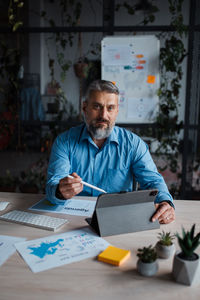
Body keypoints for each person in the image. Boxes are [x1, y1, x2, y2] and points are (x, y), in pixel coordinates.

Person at [46, 80, 175, 224]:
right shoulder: (64, 142)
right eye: (97, 106)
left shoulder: (133, 144)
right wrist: (60, 191)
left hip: (118, 221)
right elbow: (53, 185)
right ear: (84, 107)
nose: (104, 115)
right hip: (72, 221)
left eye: (110, 108)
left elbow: (152, 181)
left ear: (117, 110)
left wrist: (165, 202)